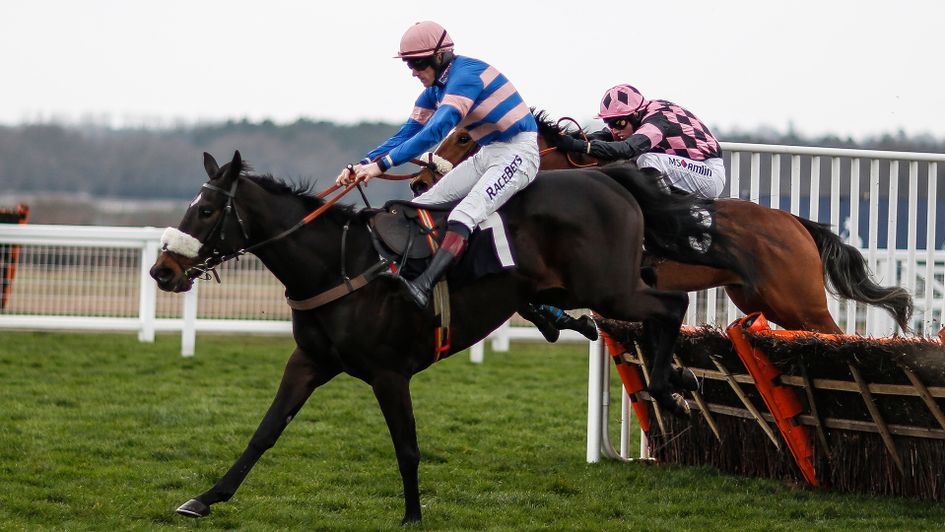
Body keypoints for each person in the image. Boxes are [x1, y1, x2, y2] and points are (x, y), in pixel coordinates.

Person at [336, 21, 539, 309]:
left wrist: (382, 166)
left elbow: (435, 132)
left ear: (441, 56)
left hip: (519, 151)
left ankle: (423, 286)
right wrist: (363, 163)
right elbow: (407, 133)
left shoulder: (465, 77)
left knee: (464, 214)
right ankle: (410, 270)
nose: (414, 72)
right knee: (423, 205)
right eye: (408, 64)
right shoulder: (434, 89)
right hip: (489, 152)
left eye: (418, 63)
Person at [556, 83, 726, 198]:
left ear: (636, 114)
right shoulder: (638, 117)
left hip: (709, 174)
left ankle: (665, 214)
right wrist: (566, 138)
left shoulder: (657, 121)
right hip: (684, 168)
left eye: (619, 123)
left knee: (646, 159)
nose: (615, 130)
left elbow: (625, 149)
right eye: (609, 123)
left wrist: (578, 146)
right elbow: (601, 136)